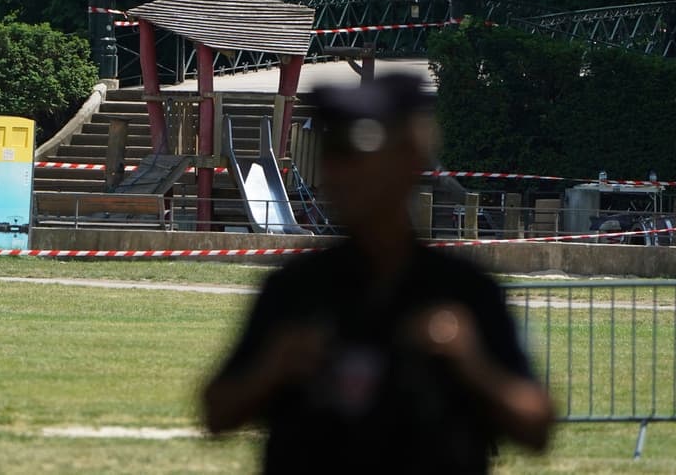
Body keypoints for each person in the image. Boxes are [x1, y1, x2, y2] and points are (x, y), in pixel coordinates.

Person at [200, 73, 553, 473]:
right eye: (332, 153)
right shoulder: (296, 287)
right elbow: (217, 414)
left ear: (410, 160)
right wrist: (274, 365)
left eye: (358, 154)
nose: (340, 174)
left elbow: (536, 425)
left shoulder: (463, 292)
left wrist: (470, 362)